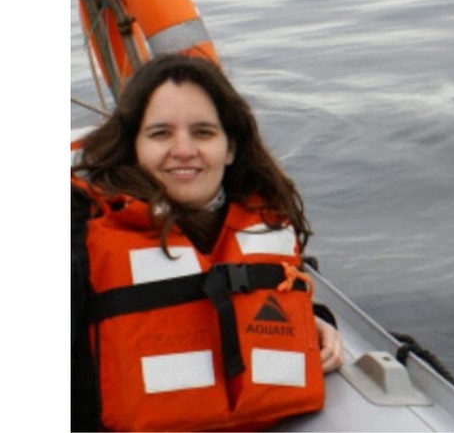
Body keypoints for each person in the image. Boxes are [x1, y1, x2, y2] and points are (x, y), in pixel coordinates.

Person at [71, 53, 343, 431]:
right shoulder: (79, 232)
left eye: (203, 132)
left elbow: (245, 300)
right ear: (133, 145)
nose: (184, 150)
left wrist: (311, 320)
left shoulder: (260, 219)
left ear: (229, 148)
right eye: (161, 133)